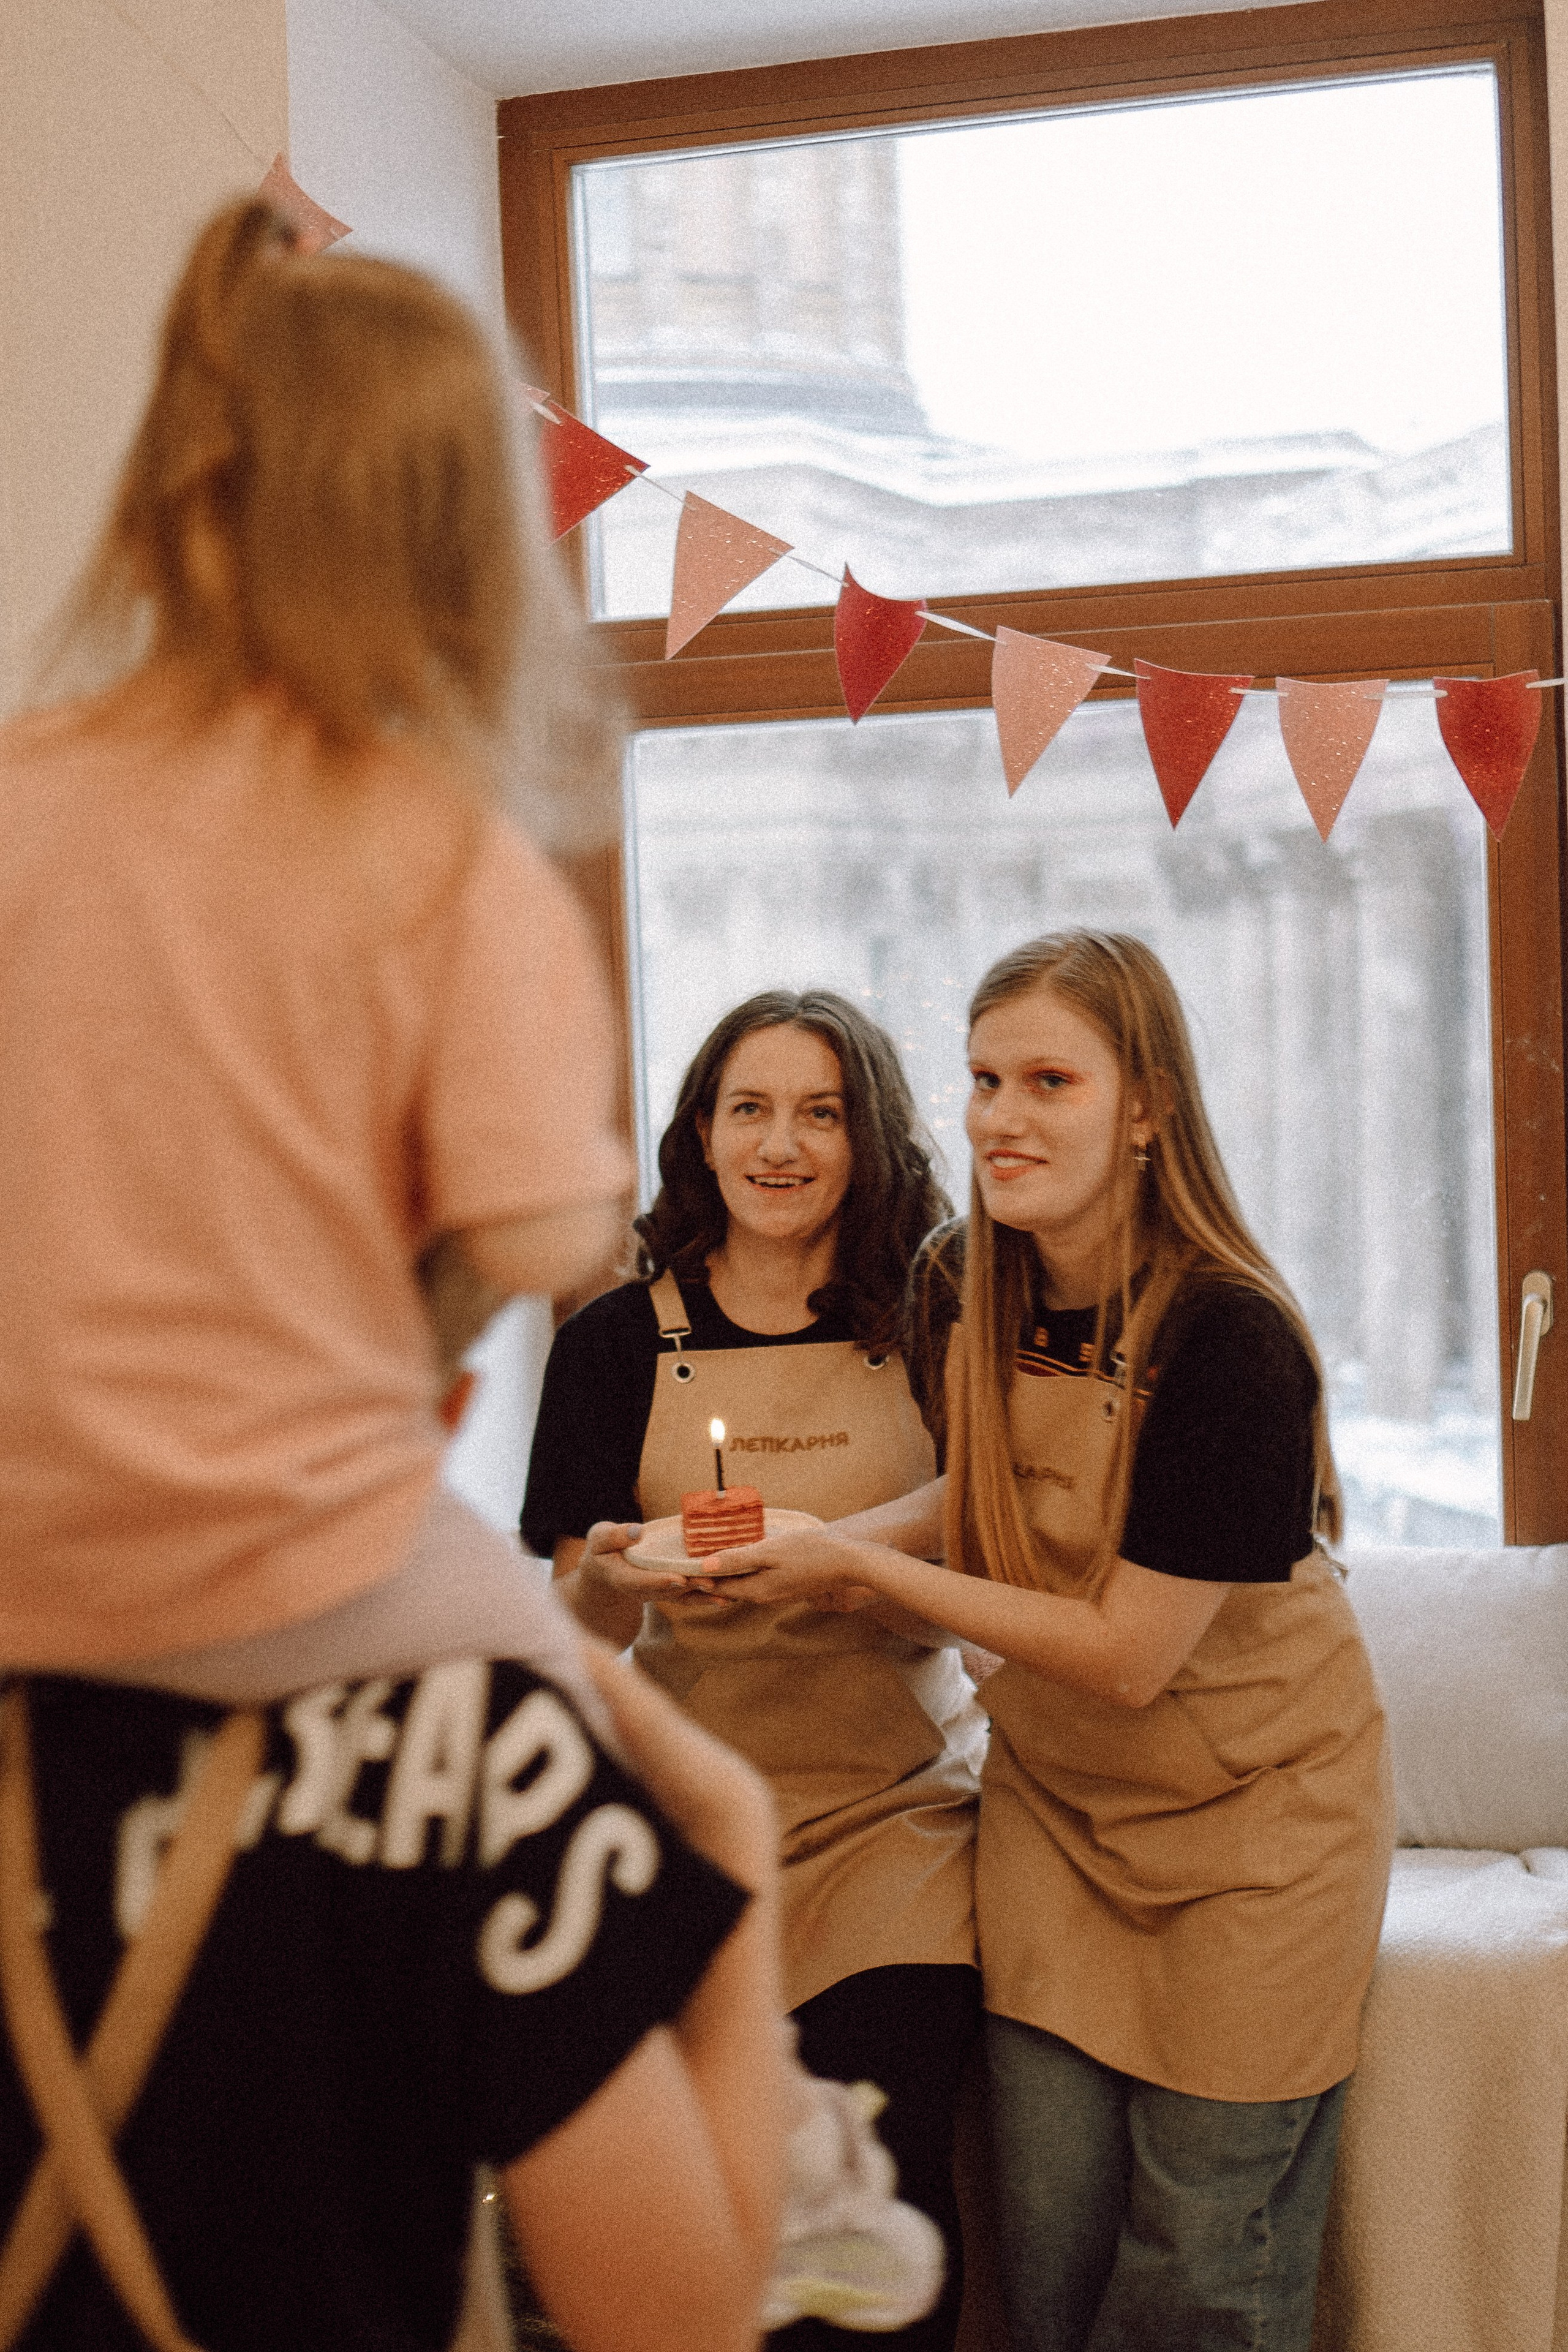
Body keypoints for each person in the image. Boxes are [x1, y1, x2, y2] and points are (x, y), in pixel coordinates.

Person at [0, 197, 790, 2352]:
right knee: (652, 1790)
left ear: (182, 475)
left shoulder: (17, 798)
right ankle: (792, 2120)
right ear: (467, 540)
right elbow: (552, 1247)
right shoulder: (446, 855)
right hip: (307, 1593)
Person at [693, 932, 1397, 2352]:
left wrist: (855, 1570)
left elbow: (1128, 1647)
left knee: (1194, 2274)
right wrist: (804, 1547)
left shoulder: (1230, 1339)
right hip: (1057, 1819)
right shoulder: (969, 1280)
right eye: (980, 1078)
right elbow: (985, 1494)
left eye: (1048, 1081)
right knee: (1045, 2256)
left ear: (1144, 1107)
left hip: (1254, 1841)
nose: (999, 1117)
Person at [523, 990, 987, 2352]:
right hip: (679, 1844)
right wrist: (610, 1572)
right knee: (716, 2238)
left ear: (868, 1139)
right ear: (702, 1137)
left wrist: (831, 1550)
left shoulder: (935, 1310)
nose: (781, 1145)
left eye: (819, 1112)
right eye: (749, 1109)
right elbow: (574, 1622)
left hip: (891, 1832)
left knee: (882, 2237)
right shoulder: (612, 1344)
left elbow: (997, 1505)